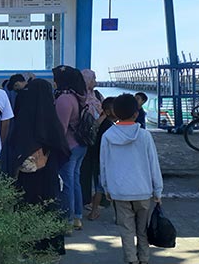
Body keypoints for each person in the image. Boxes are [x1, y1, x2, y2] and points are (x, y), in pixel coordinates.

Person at [10, 78, 70, 257]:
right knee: (48, 207)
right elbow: (63, 147)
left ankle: (28, 246)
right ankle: (49, 247)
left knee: (28, 206)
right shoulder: (52, 118)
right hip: (48, 173)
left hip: (28, 175)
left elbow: (15, 142)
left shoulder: (24, 117)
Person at [100, 93, 163, 264]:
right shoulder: (144, 136)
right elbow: (153, 165)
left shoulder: (108, 136)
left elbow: (104, 165)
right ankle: (144, 258)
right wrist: (158, 190)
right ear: (136, 113)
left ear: (115, 113)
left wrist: (106, 187)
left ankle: (131, 260)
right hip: (143, 191)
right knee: (142, 230)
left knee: (126, 229)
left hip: (119, 191)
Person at [52, 65, 87, 231]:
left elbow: (60, 129)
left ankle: (67, 221)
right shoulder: (78, 96)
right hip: (80, 145)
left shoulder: (64, 99)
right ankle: (77, 217)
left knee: (66, 184)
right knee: (75, 181)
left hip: (69, 146)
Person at [87, 97, 117, 221]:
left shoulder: (103, 124)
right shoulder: (109, 127)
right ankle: (117, 215)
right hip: (105, 160)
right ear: (108, 112)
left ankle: (94, 212)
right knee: (110, 188)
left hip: (99, 159)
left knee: (99, 188)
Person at [80, 69, 104, 208]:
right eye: (92, 79)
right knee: (85, 169)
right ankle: (86, 199)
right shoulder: (81, 97)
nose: (95, 82)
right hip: (86, 138)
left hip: (99, 137)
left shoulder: (97, 95)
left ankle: (99, 198)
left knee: (99, 168)